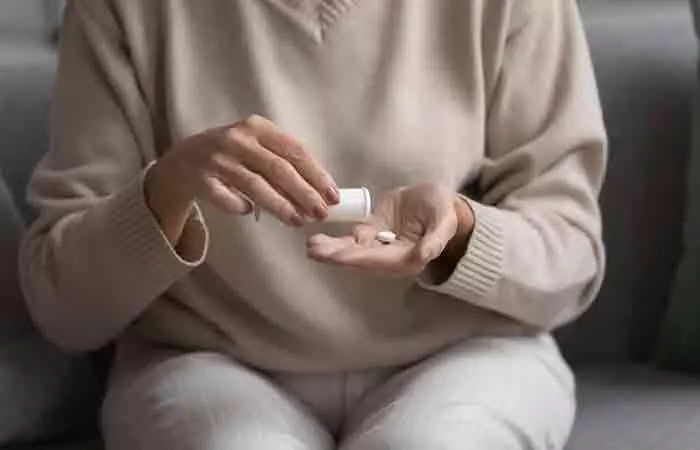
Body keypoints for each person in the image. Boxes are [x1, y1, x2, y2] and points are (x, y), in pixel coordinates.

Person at [19, 0, 606, 449]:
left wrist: (457, 237)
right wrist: (167, 189)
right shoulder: (121, 10)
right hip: (206, 362)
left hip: (469, 356)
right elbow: (64, 309)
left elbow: (572, 259)